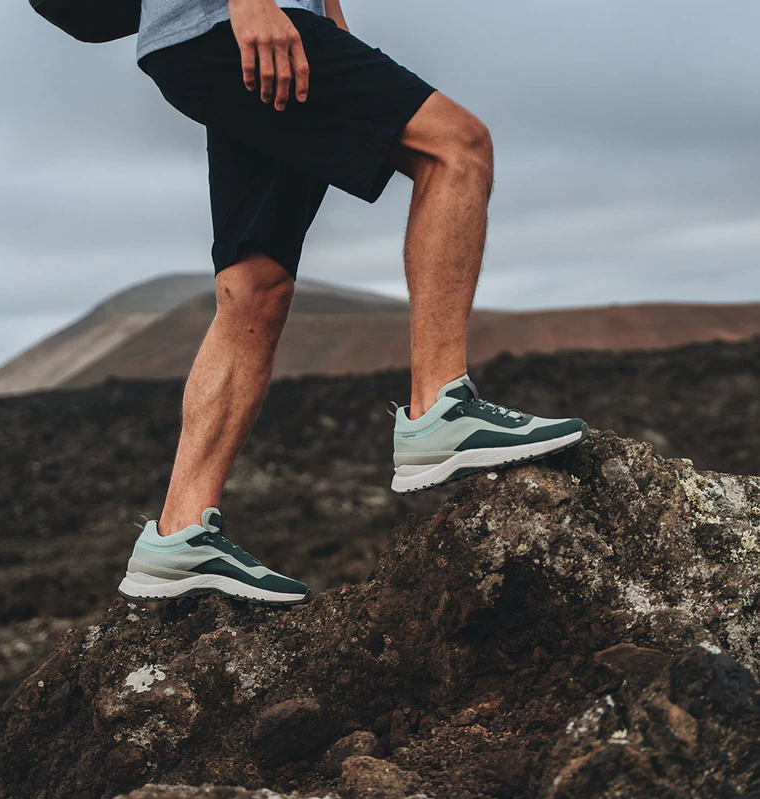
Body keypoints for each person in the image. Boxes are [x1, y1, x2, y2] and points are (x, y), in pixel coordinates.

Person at [118, 0, 588, 605]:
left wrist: (331, 21)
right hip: (242, 23)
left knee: (255, 288)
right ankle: (441, 411)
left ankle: (179, 535)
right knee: (455, 147)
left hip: (209, 38)